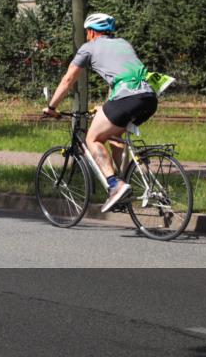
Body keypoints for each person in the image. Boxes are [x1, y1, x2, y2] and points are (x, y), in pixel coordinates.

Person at [43, 13, 158, 213]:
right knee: (115, 138)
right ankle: (124, 187)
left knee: (93, 139)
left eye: (87, 33)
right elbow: (124, 76)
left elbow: (68, 80)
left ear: (91, 32)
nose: (87, 36)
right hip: (149, 97)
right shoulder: (124, 43)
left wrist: (51, 107)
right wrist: (105, 107)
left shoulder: (88, 48)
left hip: (126, 99)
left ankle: (115, 185)